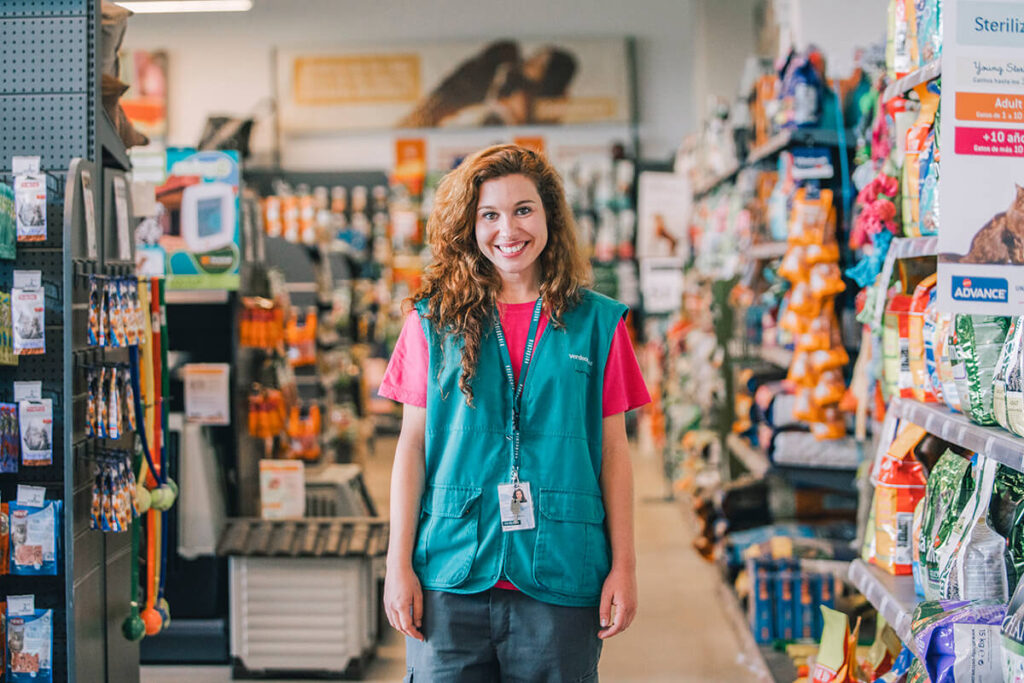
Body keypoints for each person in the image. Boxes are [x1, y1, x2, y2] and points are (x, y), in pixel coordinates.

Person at [379, 144, 650, 681]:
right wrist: (396, 564)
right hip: (450, 572)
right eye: (490, 214)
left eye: (524, 209)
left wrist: (624, 565)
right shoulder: (431, 323)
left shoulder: (599, 325)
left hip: (561, 571)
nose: (509, 229)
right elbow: (411, 446)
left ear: (550, 215)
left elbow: (615, 452)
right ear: (470, 225)